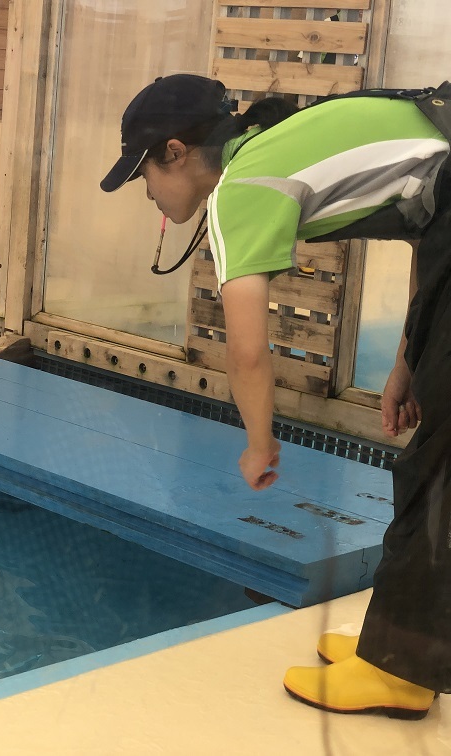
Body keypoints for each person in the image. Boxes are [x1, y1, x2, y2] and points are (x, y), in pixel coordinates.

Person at [101, 73, 451, 718]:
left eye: (144, 174)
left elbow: (246, 350)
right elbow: (428, 235)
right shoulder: (277, 147)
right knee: (435, 461)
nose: (147, 193)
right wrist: (409, 364)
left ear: (176, 152)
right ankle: (402, 641)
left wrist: (260, 444)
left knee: (438, 474)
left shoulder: (239, 189)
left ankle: (401, 670)